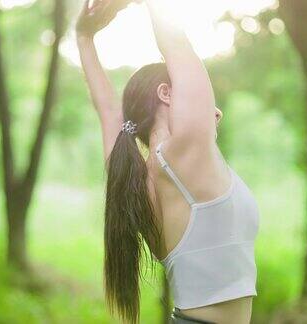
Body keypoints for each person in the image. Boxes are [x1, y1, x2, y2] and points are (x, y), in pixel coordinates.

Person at [76, 1, 260, 323]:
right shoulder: (184, 152)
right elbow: (174, 42)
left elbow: (108, 112)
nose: (215, 112)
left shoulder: (135, 178)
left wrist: (84, 38)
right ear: (166, 94)